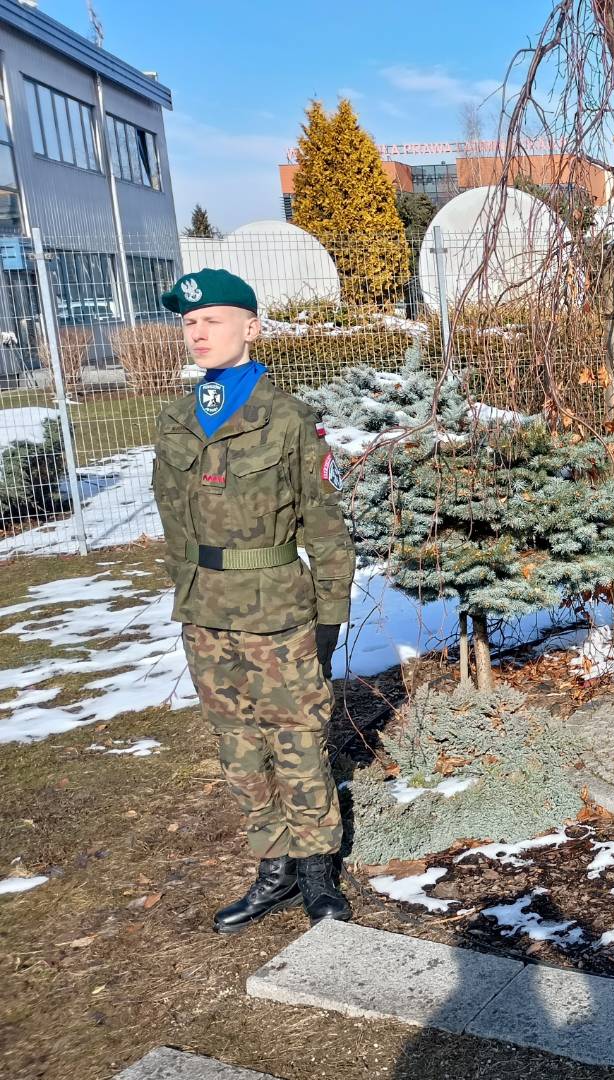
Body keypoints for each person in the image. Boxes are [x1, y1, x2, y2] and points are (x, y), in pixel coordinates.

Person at [151, 268, 356, 934]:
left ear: (252, 328)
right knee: (237, 745)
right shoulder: (176, 419)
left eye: (212, 319)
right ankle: (275, 868)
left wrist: (329, 616)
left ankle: (317, 869)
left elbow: (325, 527)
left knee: (297, 740)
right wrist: (187, 593)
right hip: (205, 611)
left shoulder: (288, 418)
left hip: (277, 612)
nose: (198, 332)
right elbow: (174, 521)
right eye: (189, 322)